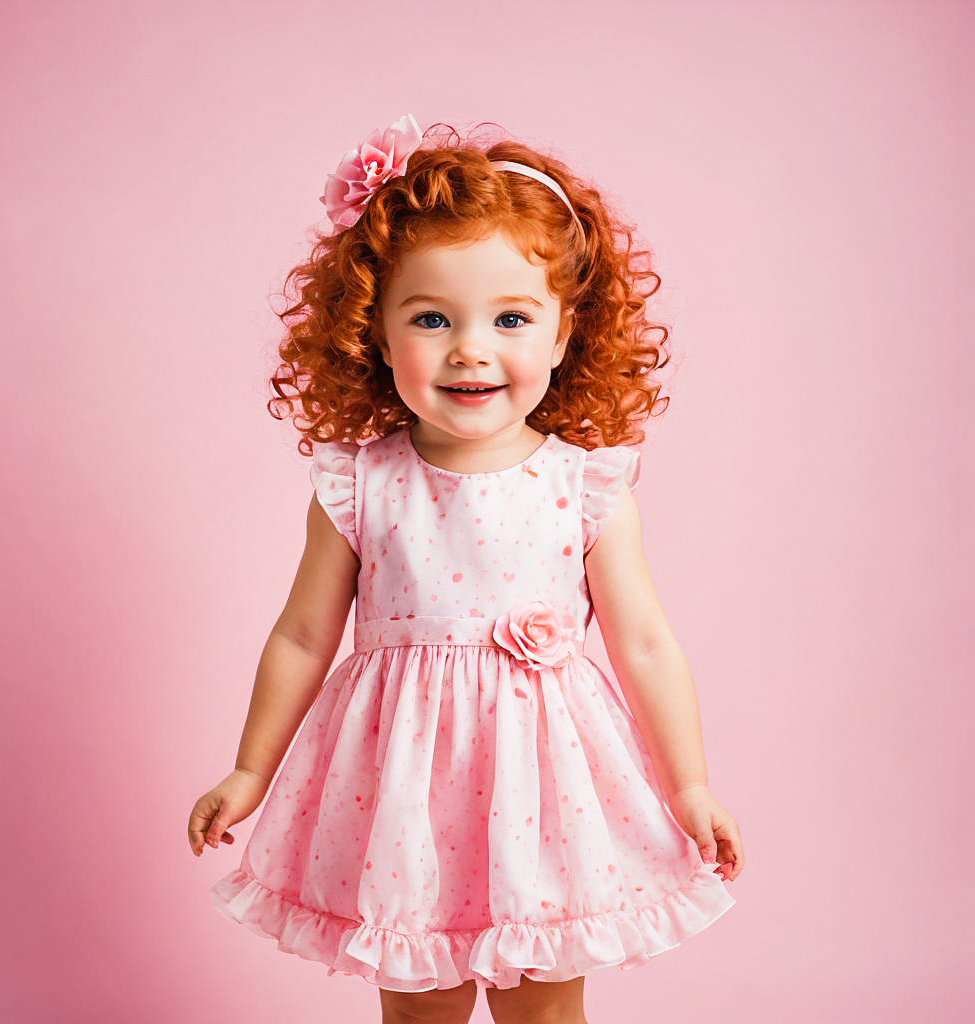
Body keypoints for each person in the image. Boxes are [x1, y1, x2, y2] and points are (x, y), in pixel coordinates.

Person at [187, 112, 744, 1024]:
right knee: (419, 1009)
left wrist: (688, 784)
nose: (471, 347)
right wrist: (250, 772)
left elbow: (644, 641)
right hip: (400, 787)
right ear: (374, 332)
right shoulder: (363, 481)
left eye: (511, 318)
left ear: (566, 337)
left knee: (546, 1009)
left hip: (548, 785)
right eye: (432, 317)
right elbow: (300, 633)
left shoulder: (584, 482)